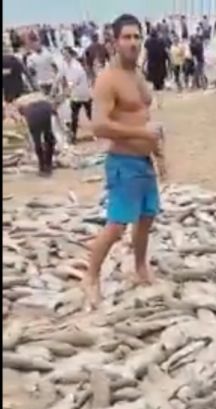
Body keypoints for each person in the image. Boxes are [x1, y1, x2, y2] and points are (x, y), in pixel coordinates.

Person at [84, 13, 166, 305]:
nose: (133, 43)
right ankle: (91, 278)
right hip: (122, 162)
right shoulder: (108, 79)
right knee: (116, 226)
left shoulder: (137, 75)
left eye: (136, 37)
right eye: (126, 37)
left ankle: (141, 267)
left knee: (146, 218)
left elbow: (145, 117)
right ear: (115, 42)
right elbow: (99, 126)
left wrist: (158, 152)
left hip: (144, 162)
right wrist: (141, 133)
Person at [8, 91, 63, 176]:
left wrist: (19, 120)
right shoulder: (38, 94)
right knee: (49, 138)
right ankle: (48, 164)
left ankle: (42, 166)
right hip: (46, 108)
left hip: (33, 112)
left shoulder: (16, 102)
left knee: (37, 140)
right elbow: (53, 107)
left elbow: (16, 116)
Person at [62, 47, 92, 143]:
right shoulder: (66, 65)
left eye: (66, 54)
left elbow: (75, 80)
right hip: (75, 95)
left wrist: (67, 90)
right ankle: (73, 137)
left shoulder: (76, 66)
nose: (65, 56)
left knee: (89, 114)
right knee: (74, 116)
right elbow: (61, 75)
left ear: (71, 54)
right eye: (64, 54)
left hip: (83, 93)